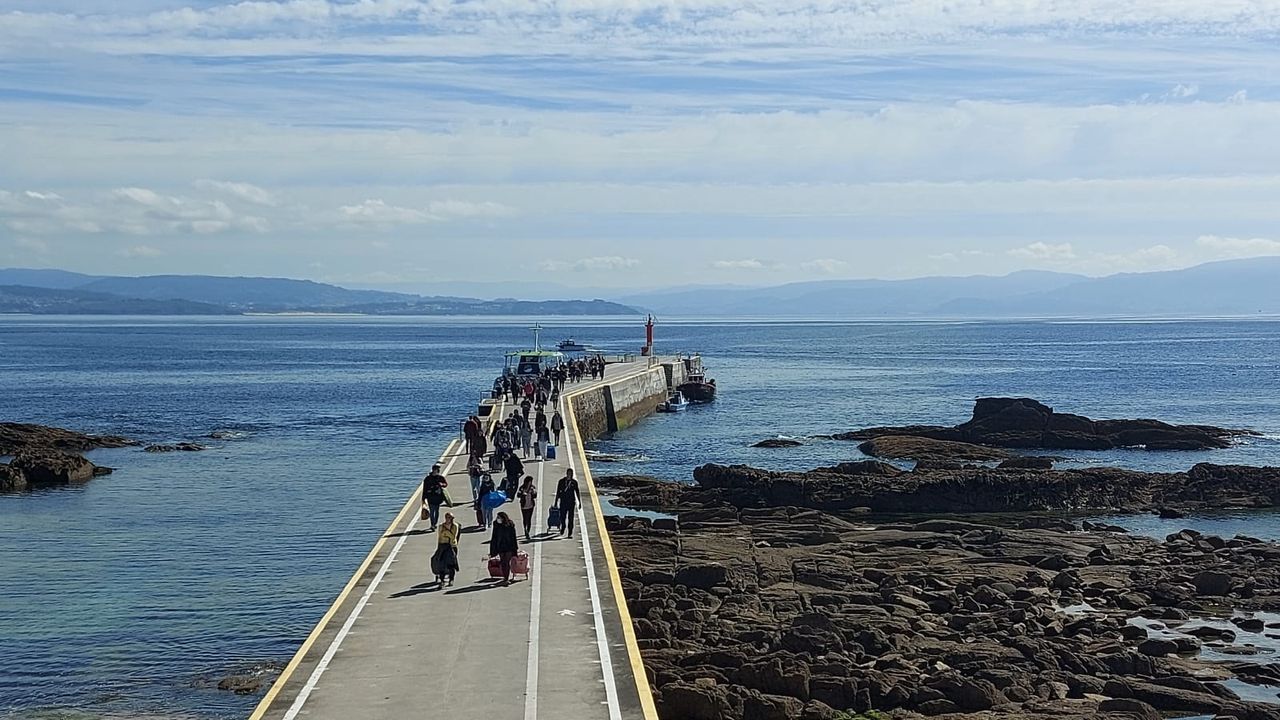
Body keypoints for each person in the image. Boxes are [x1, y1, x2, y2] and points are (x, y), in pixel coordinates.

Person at [489, 511, 520, 586]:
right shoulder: (496, 525)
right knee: (503, 562)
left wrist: (515, 548)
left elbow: (513, 537)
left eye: (499, 517)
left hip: (509, 546)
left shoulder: (510, 524)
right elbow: (494, 536)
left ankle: (506, 578)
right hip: (500, 546)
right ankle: (505, 576)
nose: (497, 519)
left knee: (506, 562)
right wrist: (493, 549)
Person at [432, 512, 461, 587]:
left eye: (451, 518)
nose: (449, 520)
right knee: (441, 564)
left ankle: (451, 579)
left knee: (451, 564)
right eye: (448, 518)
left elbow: (453, 537)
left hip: (451, 546)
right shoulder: (441, 526)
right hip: (442, 546)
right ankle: (442, 580)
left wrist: (446, 532)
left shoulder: (455, 526)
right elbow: (440, 536)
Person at [554, 468, 581, 538]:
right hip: (563, 501)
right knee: (562, 516)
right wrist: (556, 502)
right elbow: (558, 492)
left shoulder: (574, 482)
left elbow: (577, 492)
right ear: (566, 473)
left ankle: (570, 532)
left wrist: (579, 501)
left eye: (571, 474)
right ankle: (563, 527)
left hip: (571, 502)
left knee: (570, 518)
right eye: (569, 473)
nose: (570, 475)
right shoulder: (561, 481)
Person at [422, 464, 448, 531]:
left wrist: (441, 484)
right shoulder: (428, 479)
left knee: (436, 511)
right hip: (430, 496)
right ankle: (432, 524)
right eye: (436, 470)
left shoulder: (440, 477)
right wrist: (423, 498)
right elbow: (424, 488)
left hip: (438, 497)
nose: (437, 471)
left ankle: (435, 523)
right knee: (432, 511)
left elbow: (445, 484)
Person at [516, 475, 538, 540]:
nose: (530, 483)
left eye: (531, 482)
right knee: (525, 518)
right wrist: (522, 493)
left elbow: (535, 496)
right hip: (524, 506)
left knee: (529, 519)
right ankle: (525, 529)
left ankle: (528, 531)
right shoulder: (522, 488)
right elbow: (518, 495)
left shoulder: (532, 488)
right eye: (529, 482)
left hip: (530, 505)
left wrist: (534, 493)